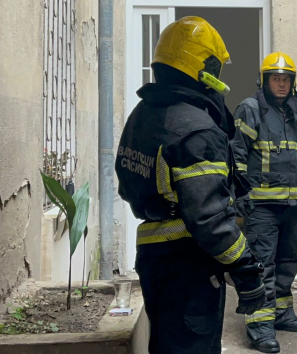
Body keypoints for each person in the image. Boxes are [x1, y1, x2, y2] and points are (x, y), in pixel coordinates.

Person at [115, 17, 266, 354]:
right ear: (204, 68)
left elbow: (127, 185)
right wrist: (245, 269)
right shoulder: (197, 129)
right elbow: (209, 218)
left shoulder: (142, 114)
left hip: (153, 258)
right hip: (188, 266)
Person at [231, 52, 297, 354]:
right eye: (276, 79)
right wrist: (240, 196)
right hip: (262, 207)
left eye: (286, 80)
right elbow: (236, 155)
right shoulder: (250, 109)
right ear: (264, 81)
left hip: (292, 205)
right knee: (262, 265)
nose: (281, 84)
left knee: (287, 262)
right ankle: (260, 327)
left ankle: (282, 313)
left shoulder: (295, 113)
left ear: (293, 83)